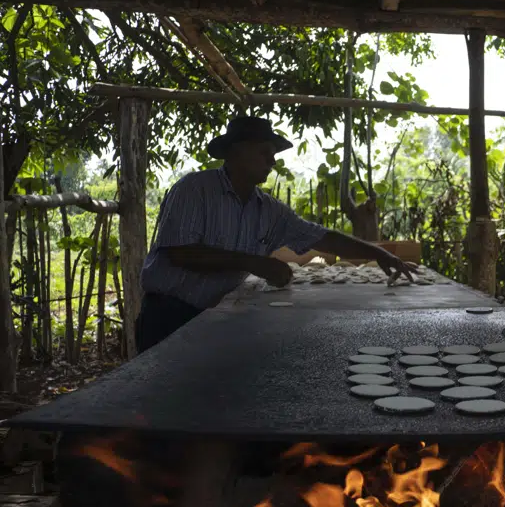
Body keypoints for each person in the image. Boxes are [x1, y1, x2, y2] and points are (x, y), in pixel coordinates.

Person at [136, 115, 416, 353]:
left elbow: (321, 237)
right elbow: (181, 253)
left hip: (216, 316)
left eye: (273, 153)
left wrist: (377, 252)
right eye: (264, 152)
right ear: (236, 152)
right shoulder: (194, 190)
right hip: (169, 315)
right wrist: (254, 263)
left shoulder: (268, 210)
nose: (272, 161)